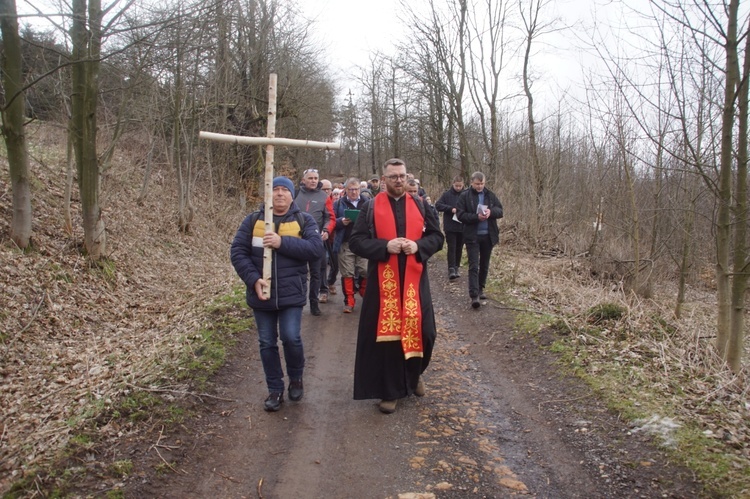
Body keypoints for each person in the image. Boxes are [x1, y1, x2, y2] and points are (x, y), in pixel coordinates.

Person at [349, 158, 444, 414]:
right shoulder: (370, 207)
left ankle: (414, 375)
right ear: (384, 180)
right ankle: (389, 392)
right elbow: (356, 242)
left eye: (402, 175)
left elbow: (437, 238)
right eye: (393, 176)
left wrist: (419, 246)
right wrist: (383, 246)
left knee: (425, 332)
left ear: (407, 177)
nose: (398, 180)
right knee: (389, 338)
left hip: (415, 281)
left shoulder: (422, 205)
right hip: (383, 282)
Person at [230, 176, 324, 411]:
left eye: (285, 190)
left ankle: (296, 378)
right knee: (266, 342)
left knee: (291, 337)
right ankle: (274, 389)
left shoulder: (305, 220)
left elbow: (315, 250)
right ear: (268, 194)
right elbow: (238, 252)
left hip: (291, 294)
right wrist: (253, 280)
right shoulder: (253, 221)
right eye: (275, 189)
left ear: (293, 195)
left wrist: (282, 242)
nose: (280, 193)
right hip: (261, 294)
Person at [456, 171, 503, 309]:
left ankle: (481, 288)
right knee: (473, 265)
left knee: (484, 264)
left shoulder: (490, 195)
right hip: (472, 236)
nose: (480, 186)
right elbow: (460, 215)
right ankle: (474, 294)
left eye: (482, 183)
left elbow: (500, 210)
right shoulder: (465, 196)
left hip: (488, 235)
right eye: (477, 184)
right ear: (472, 183)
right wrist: (476, 217)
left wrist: (490, 212)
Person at [294, 169, 336, 315]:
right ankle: (296, 302)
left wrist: (326, 230)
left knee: (316, 273)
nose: (313, 180)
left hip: (316, 240)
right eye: (310, 178)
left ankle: (314, 303)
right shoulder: (295, 194)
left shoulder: (324, 196)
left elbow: (330, 217)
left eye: (315, 178)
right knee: (297, 272)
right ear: (303, 180)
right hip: (296, 239)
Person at [333, 178, 369, 313]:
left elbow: (375, 220)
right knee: (347, 272)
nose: (353, 192)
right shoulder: (339, 204)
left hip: (363, 242)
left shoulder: (367, 202)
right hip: (345, 242)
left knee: (365, 270)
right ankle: (349, 301)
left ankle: (364, 291)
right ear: (346, 190)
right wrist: (341, 221)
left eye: (356, 189)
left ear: (360, 189)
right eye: (350, 189)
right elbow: (331, 221)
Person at [434, 175, 466, 280]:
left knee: (459, 247)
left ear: (463, 185)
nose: (458, 188)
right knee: (451, 247)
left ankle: (457, 266)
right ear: (453, 184)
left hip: (462, 225)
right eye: (456, 186)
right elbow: (438, 205)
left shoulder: (466, 195)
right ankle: (451, 268)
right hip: (450, 226)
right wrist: (450, 209)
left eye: (460, 186)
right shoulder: (447, 195)